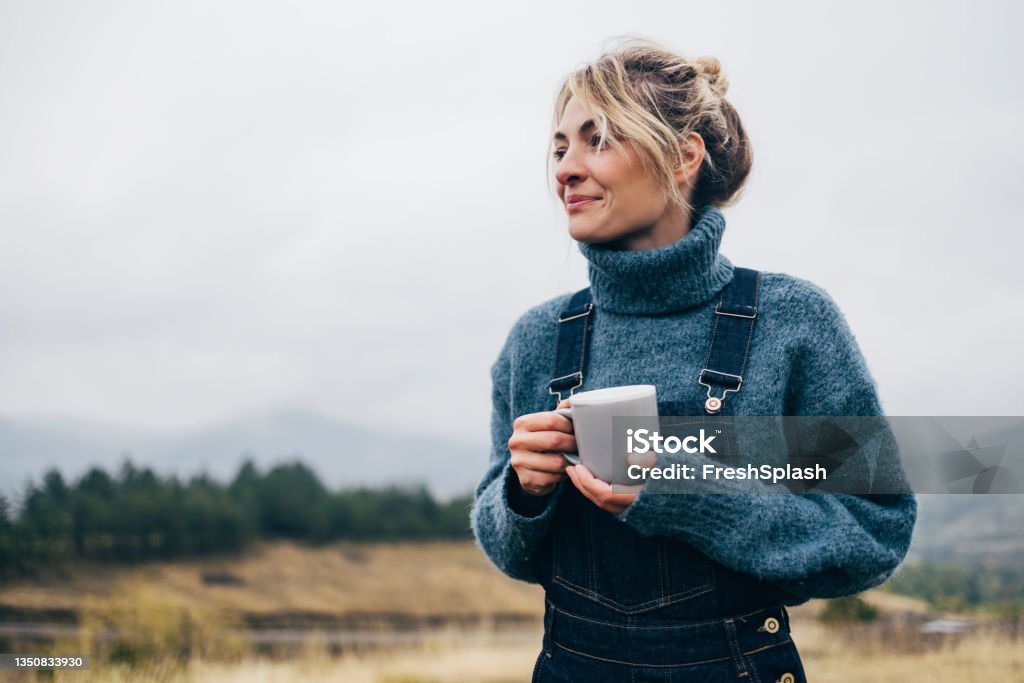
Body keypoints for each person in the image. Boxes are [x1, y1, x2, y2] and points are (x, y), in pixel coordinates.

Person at [470, 37, 917, 683]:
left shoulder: (792, 323)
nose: (565, 168)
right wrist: (523, 493)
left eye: (598, 139)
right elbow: (506, 546)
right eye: (561, 145)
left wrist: (688, 493)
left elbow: (871, 536)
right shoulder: (538, 338)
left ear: (682, 158)